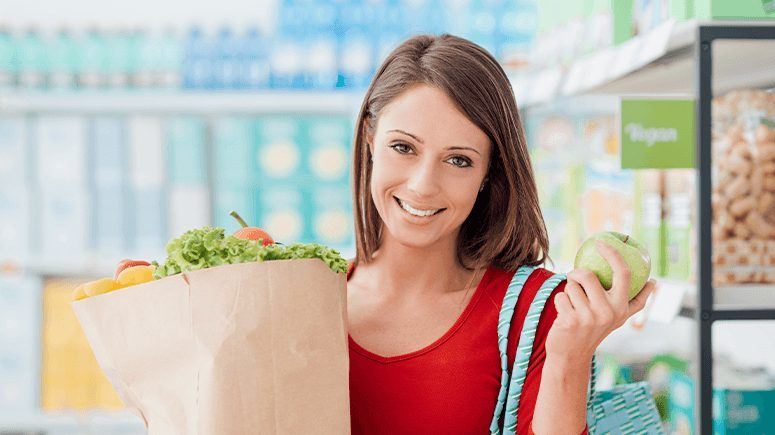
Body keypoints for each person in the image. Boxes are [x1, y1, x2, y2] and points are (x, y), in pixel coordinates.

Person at [344, 34, 655, 434]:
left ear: (489, 173)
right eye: (403, 148)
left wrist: (569, 358)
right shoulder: (306, 295)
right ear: (370, 140)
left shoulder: (542, 312)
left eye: (459, 160)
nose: (423, 185)